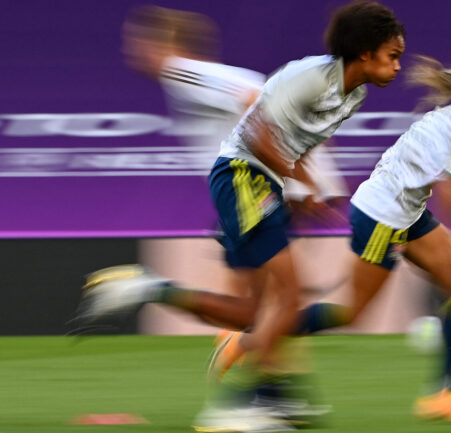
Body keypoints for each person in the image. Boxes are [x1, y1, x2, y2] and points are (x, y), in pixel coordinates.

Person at [77, 1, 405, 431]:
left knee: (259, 308)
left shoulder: (183, 70)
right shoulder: (189, 70)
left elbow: (267, 115)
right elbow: (259, 113)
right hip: (249, 182)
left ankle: (153, 293)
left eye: (139, 41)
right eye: (394, 55)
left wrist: (308, 185)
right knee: (284, 299)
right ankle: (247, 402)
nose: (135, 50)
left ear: (164, 44)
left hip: (259, 184)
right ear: (365, 51)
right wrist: (308, 184)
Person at [286, 56, 451, 425]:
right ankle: (257, 334)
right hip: (381, 217)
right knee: (352, 313)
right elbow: (449, 193)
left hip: (405, 213)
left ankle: (449, 393)